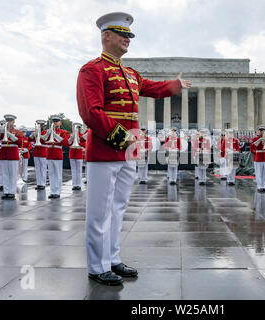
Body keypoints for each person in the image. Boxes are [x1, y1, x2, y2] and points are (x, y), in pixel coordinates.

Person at [76, 12, 191, 286]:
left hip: (128, 152)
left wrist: (175, 85)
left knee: (118, 208)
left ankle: (112, 258)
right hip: (106, 149)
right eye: (122, 34)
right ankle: (97, 265)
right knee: (99, 212)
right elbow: (90, 113)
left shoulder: (130, 73)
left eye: (129, 35)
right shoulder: (92, 70)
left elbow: (152, 87)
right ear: (106, 36)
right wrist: (121, 137)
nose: (128, 39)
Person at [0, 114, 23, 200]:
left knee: (12, 174)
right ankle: (6, 191)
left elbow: (20, 142)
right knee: (5, 174)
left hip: (12, 154)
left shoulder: (17, 132)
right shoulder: (2, 131)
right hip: (3, 154)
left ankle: (12, 192)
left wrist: (9, 134)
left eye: (10, 121)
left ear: (13, 122)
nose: (9, 122)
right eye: (7, 121)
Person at [42, 115, 70, 199]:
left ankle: (57, 191)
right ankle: (52, 191)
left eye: (57, 121)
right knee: (51, 174)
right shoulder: (48, 131)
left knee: (57, 174)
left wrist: (55, 135)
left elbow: (66, 142)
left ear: (60, 123)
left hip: (57, 154)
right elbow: (42, 141)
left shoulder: (64, 132)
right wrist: (48, 133)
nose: (55, 123)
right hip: (49, 153)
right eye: (54, 121)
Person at [250, 125, 265, 193]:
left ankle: (263, 186)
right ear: (258, 131)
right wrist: (260, 140)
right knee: (258, 173)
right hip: (258, 157)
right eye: (260, 131)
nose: (261, 132)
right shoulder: (255, 139)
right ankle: (259, 186)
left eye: (262, 131)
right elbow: (252, 147)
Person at [29, 120, 48, 190]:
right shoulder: (34, 132)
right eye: (38, 125)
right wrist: (33, 135)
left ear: (43, 125)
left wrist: (39, 135)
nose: (40, 126)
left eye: (41, 125)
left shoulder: (45, 132)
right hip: (36, 152)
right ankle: (38, 183)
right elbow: (29, 139)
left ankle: (43, 183)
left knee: (43, 169)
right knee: (37, 169)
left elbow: (44, 141)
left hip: (43, 152)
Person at [68, 123, 86, 190]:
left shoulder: (82, 136)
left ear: (79, 128)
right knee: (73, 170)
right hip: (72, 154)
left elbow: (84, 144)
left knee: (78, 170)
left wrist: (78, 139)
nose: (76, 129)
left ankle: (78, 184)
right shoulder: (71, 135)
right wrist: (72, 137)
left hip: (79, 154)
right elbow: (68, 143)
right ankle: (74, 184)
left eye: (77, 128)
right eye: (75, 127)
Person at [0, 119, 6, 191]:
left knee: (6, 171)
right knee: (0, 171)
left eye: (3, 124)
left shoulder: (10, 132)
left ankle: (6, 184)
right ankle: (1, 184)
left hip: (6, 154)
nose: (2, 126)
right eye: (1, 124)